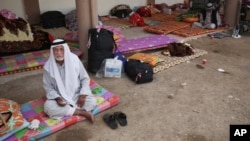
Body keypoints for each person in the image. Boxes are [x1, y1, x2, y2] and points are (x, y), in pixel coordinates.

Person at [43, 39, 96, 123]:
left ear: (66, 50)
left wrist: (82, 95)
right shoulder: (48, 67)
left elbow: (85, 78)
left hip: (76, 94)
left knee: (92, 101)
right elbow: (48, 87)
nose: (59, 53)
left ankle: (69, 111)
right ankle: (83, 113)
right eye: (56, 50)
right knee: (48, 107)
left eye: (61, 49)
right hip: (60, 98)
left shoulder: (74, 60)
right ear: (52, 51)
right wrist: (57, 98)